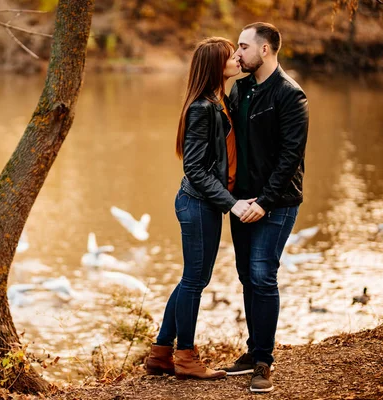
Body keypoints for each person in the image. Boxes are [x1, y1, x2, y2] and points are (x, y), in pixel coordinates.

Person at [145, 37, 256, 380]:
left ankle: (161, 352)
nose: (237, 57)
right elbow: (193, 169)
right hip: (197, 203)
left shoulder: (220, 101)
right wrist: (233, 204)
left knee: (193, 279)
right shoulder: (202, 108)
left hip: (205, 203)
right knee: (194, 280)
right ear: (215, 65)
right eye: (231, 54)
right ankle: (186, 357)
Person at [221, 22, 309, 393]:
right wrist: (235, 200)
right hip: (242, 203)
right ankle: (251, 350)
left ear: (266, 50)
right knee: (245, 276)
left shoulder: (291, 95)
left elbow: (291, 156)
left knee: (261, 274)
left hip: (278, 202)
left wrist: (266, 201)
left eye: (243, 47)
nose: (237, 54)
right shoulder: (239, 90)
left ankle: (263, 362)